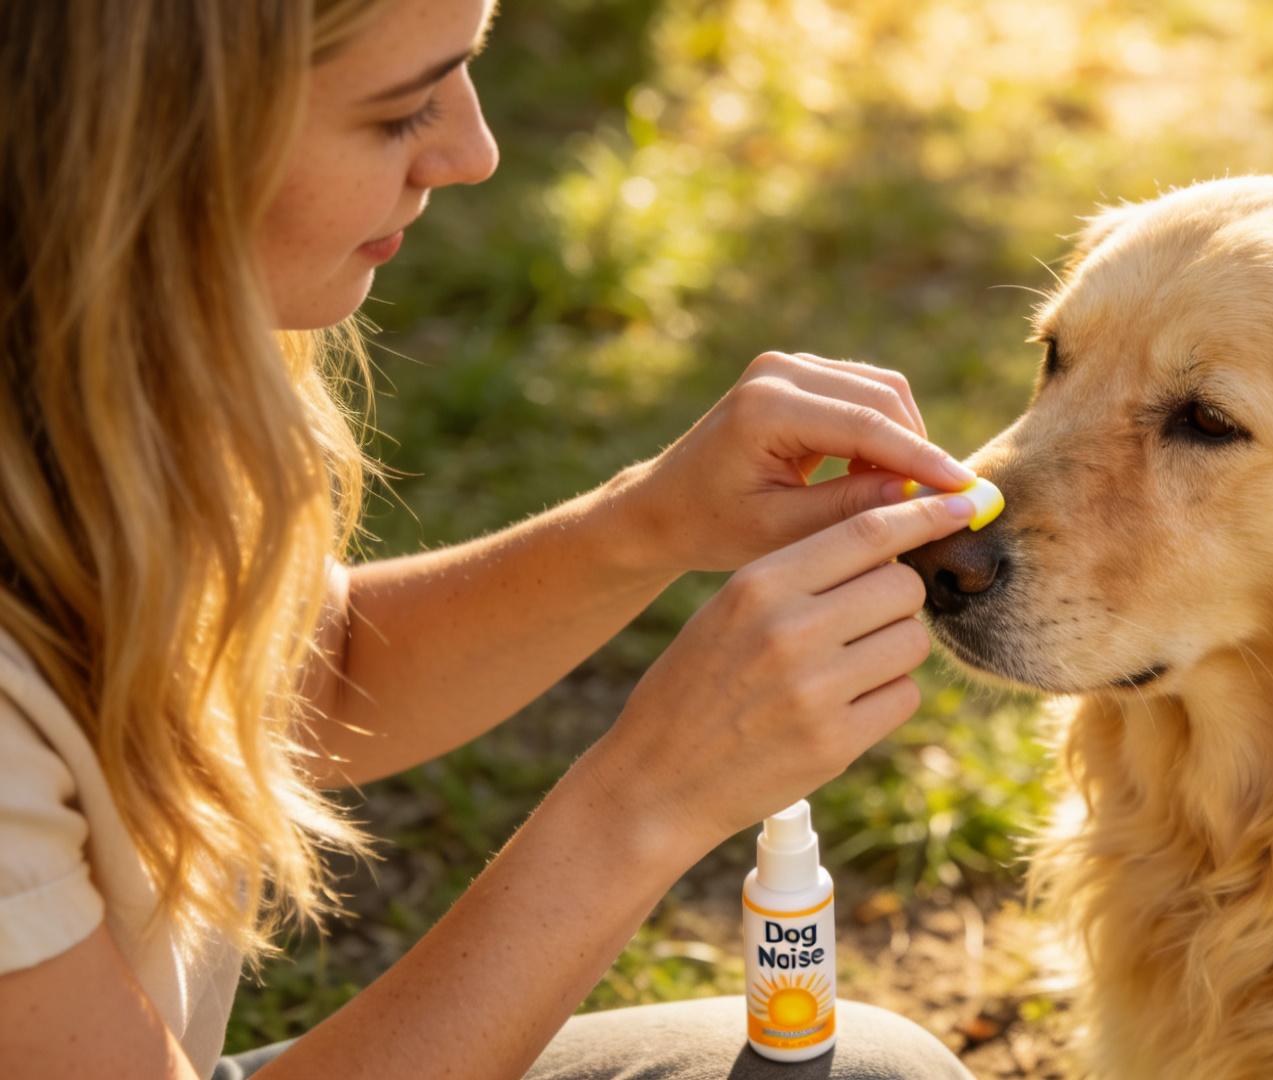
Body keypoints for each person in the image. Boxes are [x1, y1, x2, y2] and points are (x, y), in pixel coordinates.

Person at [0, 1, 978, 1076]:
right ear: (144, 145)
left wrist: (645, 522)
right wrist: (649, 797)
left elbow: (290, 688)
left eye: (465, 72)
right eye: (399, 110)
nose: (475, 152)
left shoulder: (91, 399)